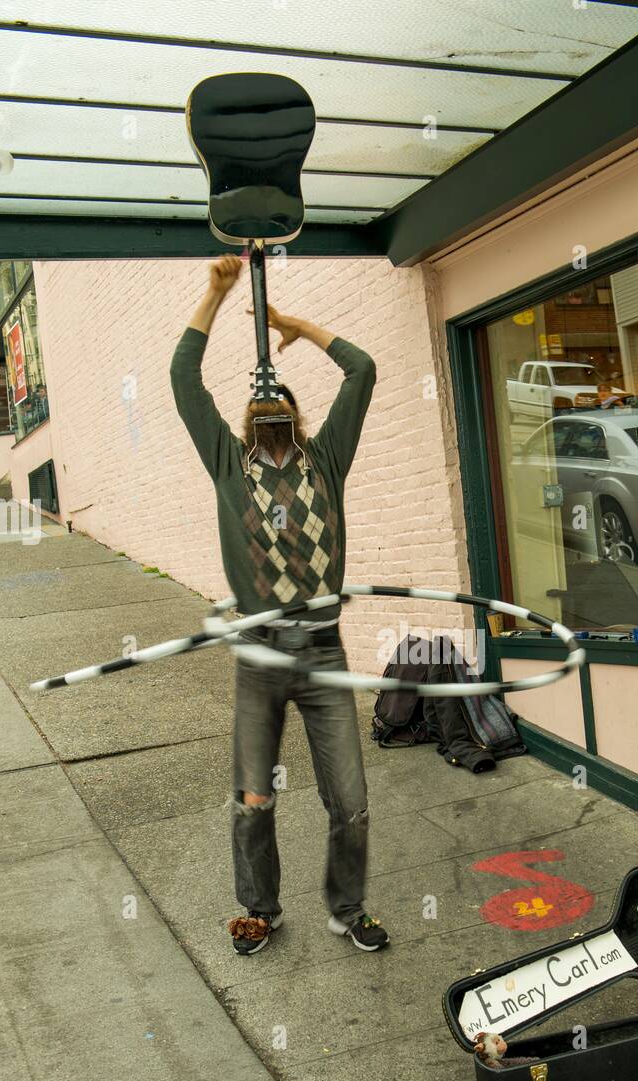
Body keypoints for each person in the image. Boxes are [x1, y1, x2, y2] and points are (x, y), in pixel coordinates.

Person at [170, 254, 388, 957]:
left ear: (296, 413)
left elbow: (363, 369)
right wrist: (214, 293)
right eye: (259, 401)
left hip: (324, 652)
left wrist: (295, 325)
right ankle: (259, 909)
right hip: (261, 657)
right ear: (246, 417)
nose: (271, 406)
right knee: (252, 800)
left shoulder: (329, 459)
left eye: (283, 400)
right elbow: (183, 378)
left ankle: (347, 909)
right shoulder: (226, 463)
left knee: (349, 801)